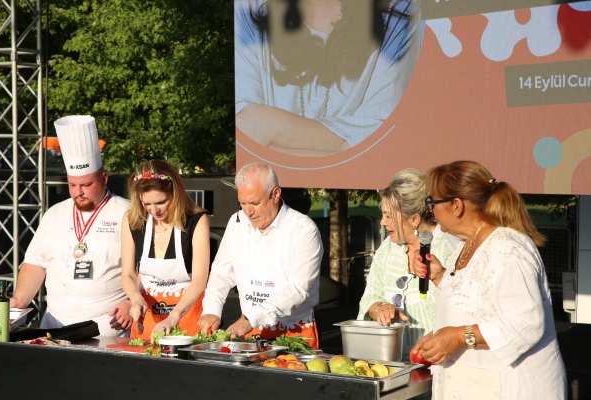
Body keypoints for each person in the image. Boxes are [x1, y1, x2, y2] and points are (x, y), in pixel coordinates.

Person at [411, 160, 566, 399]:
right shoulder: (470, 243)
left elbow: (527, 323)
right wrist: (440, 276)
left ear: (456, 205)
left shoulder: (508, 249)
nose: (430, 210)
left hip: (513, 388)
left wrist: (457, 336)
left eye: (432, 202)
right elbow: (477, 301)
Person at [235, 0, 422, 156]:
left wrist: (271, 127)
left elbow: (379, 137)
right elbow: (245, 127)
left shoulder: (401, 12)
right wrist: (341, 146)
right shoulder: (250, 7)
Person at [10, 115, 132, 336]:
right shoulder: (54, 214)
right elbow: (36, 263)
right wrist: (19, 298)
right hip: (55, 324)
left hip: (106, 325)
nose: (79, 192)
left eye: (87, 184)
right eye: (72, 185)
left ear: (104, 178)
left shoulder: (128, 213)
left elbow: (147, 268)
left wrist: (132, 301)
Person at [197, 163, 323, 348]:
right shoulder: (236, 222)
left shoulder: (304, 229)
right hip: (250, 330)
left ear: (276, 194)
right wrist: (211, 310)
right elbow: (221, 272)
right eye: (243, 203)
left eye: (255, 203)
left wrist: (250, 318)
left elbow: (298, 288)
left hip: (295, 331)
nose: (248, 211)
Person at [357, 169, 461, 358]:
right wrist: (380, 307)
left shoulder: (449, 247)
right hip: (393, 361)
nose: (382, 222)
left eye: (389, 216)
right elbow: (369, 297)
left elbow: (464, 307)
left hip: (441, 362)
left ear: (414, 220)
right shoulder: (388, 248)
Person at [121, 159, 210, 339]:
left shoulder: (196, 220)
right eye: (147, 204)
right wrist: (136, 298)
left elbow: (200, 280)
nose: (154, 211)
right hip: (148, 320)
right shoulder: (132, 220)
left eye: (161, 202)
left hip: (187, 317)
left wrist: (175, 315)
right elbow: (128, 274)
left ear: (174, 193)